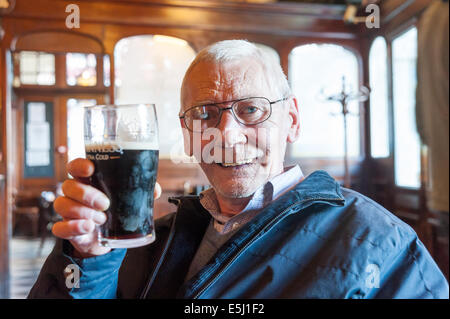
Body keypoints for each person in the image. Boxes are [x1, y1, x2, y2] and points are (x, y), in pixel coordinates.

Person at [29, 40, 448, 299]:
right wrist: (87, 258)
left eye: (251, 110)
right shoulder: (154, 237)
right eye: (205, 114)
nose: (227, 134)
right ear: (188, 134)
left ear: (292, 120)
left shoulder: (380, 240)